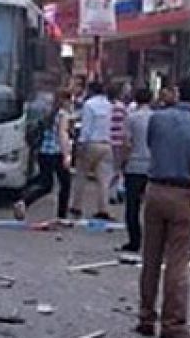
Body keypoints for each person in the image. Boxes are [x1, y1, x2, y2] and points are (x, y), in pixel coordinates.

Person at [138, 74, 190, 338]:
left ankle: (146, 315)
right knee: (177, 262)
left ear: (179, 92)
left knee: (151, 258)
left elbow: (150, 145)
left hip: (155, 189)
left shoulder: (158, 118)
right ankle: (173, 322)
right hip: (183, 193)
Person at [14, 91, 73, 222]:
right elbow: (63, 135)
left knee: (46, 183)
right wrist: (67, 155)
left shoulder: (49, 113)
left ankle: (24, 201)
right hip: (56, 153)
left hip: (43, 152)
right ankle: (61, 216)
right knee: (65, 183)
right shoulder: (63, 115)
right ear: (65, 101)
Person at [70, 80, 115, 220]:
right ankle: (103, 208)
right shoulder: (109, 105)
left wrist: (80, 145)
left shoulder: (89, 105)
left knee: (81, 175)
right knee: (104, 180)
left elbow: (86, 128)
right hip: (106, 144)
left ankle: (76, 206)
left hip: (91, 143)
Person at [119, 87, 153, 252]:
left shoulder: (131, 118)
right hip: (152, 167)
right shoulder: (156, 118)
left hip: (134, 165)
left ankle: (134, 240)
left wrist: (123, 162)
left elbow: (127, 142)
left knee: (132, 206)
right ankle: (151, 241)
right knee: (151, 208)